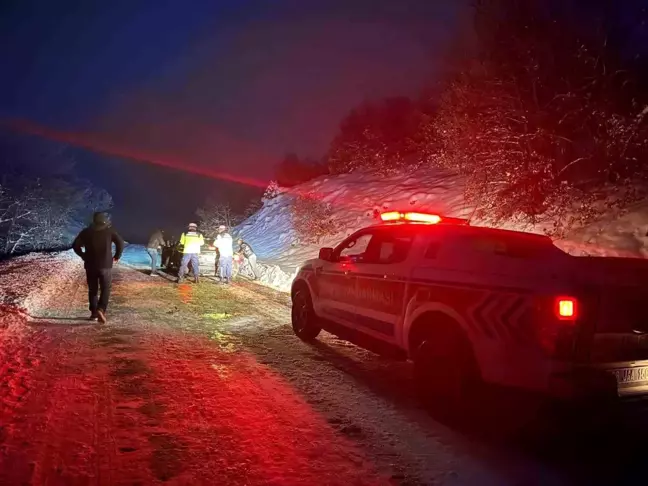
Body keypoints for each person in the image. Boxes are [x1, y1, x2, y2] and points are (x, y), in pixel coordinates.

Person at [72, 211, 124, 323]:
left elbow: (75, 246)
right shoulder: (110, 231)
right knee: (106, 288)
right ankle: (101, 309)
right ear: (105, 220)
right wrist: (117, 256)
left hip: (90, 265)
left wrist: (83, 255)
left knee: (93, 289)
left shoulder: (86, 232)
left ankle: (94, 313)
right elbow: (120, 242)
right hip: (105, 265)